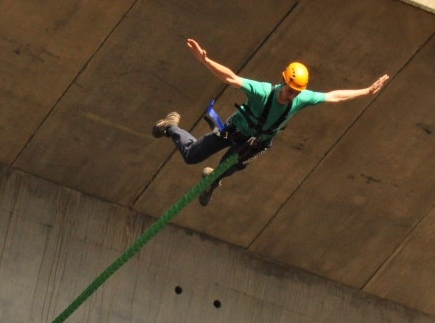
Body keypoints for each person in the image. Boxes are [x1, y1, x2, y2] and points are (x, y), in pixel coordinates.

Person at [153, 39, 389, 206]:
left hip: (252, 145)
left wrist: (366, 92)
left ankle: (213, 181)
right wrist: (206, 61)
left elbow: (334, 96)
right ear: (283, 80)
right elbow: (231, 77)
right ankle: (171, 125)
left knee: (226, 168)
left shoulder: (302, 98)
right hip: (232, 132)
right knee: (192, 156)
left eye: (297, 92)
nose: (292, 95)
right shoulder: (262, 92)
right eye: (290, 89)